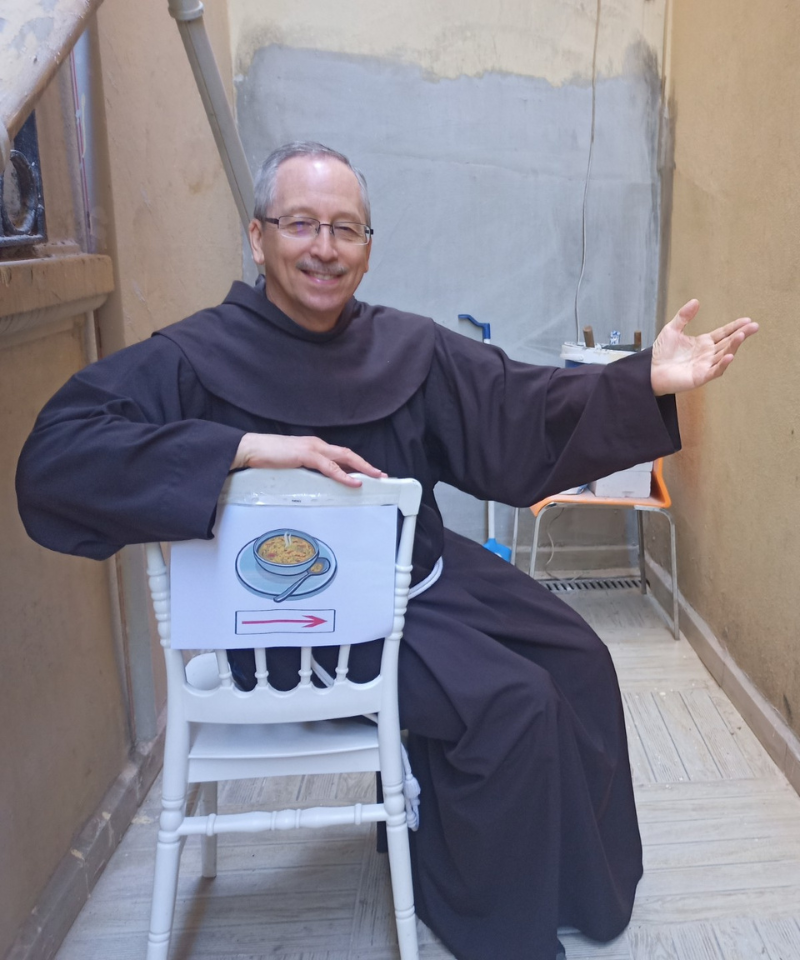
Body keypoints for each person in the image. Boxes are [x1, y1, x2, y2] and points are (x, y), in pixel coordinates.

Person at [15, 141, 757, 960]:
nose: (324, 248)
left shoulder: (407, 346)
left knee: (580, 657)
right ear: (257, 238)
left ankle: (582, 891)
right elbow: (57, 458)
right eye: (301, 224)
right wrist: (242, 449)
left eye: (347, 229)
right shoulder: (192, 356)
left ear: (369, 248)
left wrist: (638, 378)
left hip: (424, 575)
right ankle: (486, 917)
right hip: (299, 628)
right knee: (513, 704)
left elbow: (518, 402)